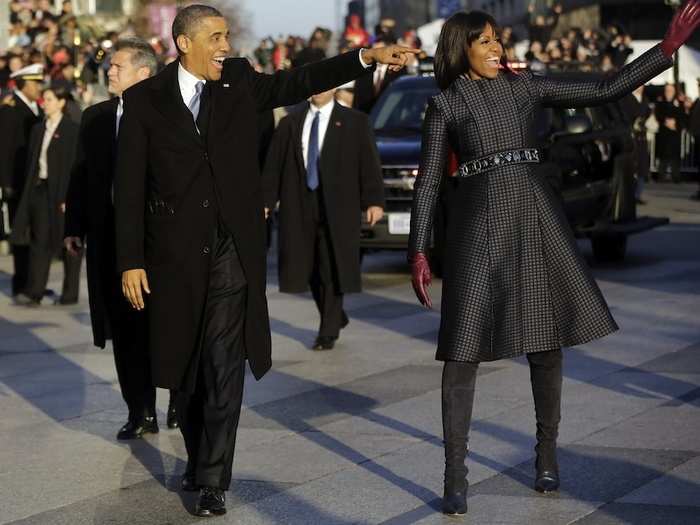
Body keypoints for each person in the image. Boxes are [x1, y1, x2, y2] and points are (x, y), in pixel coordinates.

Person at [113, 4, 417, 517]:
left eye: (226, 36)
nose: (225, 46)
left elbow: (297, 82)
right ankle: (196, 455)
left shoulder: (238, 81)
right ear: (183, 43)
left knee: (223, 362)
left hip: (234, 251)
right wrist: (130, 261)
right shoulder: (144, 101)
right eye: (215, 37)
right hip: (175, 258)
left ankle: (213, 479)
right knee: (187, 371)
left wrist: (363, 56)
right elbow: (129, 185)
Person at [408, 4, 698, 517]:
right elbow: (430, 180)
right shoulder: (446, 105)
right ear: (460, 49)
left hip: (535, 218)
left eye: (498, 39)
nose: (497, 48)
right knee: (461, 352)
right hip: (478, 227)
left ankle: (546, 454)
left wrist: (666, 51)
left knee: (545, 342)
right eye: (484, 41)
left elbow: (603, 89)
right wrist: (418, 250)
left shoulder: (526, 87)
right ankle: (455, 474)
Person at [63, 38, 178, 440]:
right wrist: (74, 226)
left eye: (118, 66)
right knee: (125, 329)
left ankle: (179, 398)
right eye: (110, 67)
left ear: (144, 74)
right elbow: (81, 175)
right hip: (109, 239)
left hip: (159, 242)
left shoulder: (170, 114)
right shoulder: (96, 117)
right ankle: (140, 410)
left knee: (166, 323)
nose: (109, 72)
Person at [263, 88, 384, 350]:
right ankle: (335, 315)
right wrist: (266, 201)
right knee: (307, 266)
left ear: (334, 88)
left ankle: (327, 330)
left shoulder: (355, 121)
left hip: (339, 206)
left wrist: (373, 200)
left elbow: (369, 163)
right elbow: (274, 165)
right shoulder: (290, 122)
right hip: (300, 203)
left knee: (332, 264)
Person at [10, 86, 80, 306]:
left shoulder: (71, 130)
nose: (44, 103)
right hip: (40, 191)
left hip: (62, 194)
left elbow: (74, 166)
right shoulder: (38, 129)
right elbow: (32, 164)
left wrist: (71, 197)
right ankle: (35, 291)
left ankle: (70, 294)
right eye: (44, 99)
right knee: (39, 241)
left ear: (61, 103)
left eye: (49, 99)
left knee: (69, 242)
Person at [0, 64, 44, 298]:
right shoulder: (11, 110)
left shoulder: (34, 107)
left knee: (35, 232)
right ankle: (21, 282)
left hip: (33, 181)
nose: (39, 88)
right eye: (35, 83)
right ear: (22, 84)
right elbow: (5, 149)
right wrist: (5, 183)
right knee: (20, 233)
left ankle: (32, 281)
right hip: (17, 182)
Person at [655, 83, 686, 182]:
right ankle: (661, 176)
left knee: (675, 157)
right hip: (664, 134)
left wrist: (675, 124)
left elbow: (682, 117)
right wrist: (665, 121)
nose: (669, 92)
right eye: (667, 90)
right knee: (663, 156)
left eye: (670, 90)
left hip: (674, 134)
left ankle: (676, 176)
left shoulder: (679, 103)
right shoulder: (660, 102)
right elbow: (658, 114)